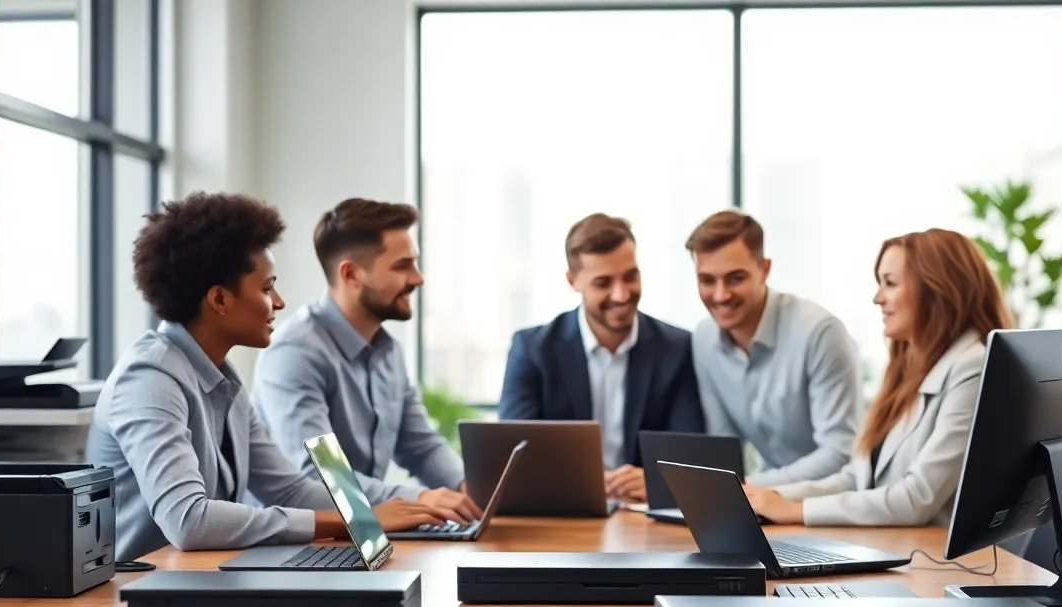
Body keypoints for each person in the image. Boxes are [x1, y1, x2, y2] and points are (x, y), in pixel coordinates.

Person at [88, 192, 455, 562]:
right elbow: (189, 519)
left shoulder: (225, 380)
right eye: (266, 288)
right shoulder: (151, 377)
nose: (279, 302)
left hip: (197, 576)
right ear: (219, 300)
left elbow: (291, 489)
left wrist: (380, 512)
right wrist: (356, 519)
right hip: (138, 586)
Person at [743, 228, 1014, 526]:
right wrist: (772, 497)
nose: (877, 298)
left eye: (890, 283)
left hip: (931, 551)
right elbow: (856, 480)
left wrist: (797, 511)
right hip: (891, 544)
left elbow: (917, 498)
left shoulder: (972, 366)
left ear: (937, 290)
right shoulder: (907, 368)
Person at [252, 198, 481, 524]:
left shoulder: (388, 351)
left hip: (365, 532)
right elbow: (323, 476)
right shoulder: (296, 353)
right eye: (402, 266)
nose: (417, 278)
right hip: (298, 541)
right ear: (352, 274)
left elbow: (420, 446)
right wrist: (419, 499)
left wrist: (468, 488)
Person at [498, 213, 705, 502]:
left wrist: (656, 480)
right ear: (573, 280)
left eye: (630, 277)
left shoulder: (677, 348)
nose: (621, 294)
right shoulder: (533, 350)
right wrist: (584, 483)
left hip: (642, 511)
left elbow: (691, 453)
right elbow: (513, 457)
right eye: (603, 283)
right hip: (563, 510)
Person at [688, 210, 862, 487]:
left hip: (829, 500)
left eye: (736, 278)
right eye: (707, 280)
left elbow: (839, 454)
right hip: (764, 500)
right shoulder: (704, 339)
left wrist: (750, 488)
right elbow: (723, 448)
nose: (721, 295)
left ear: (764, 270)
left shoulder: (819, 332)